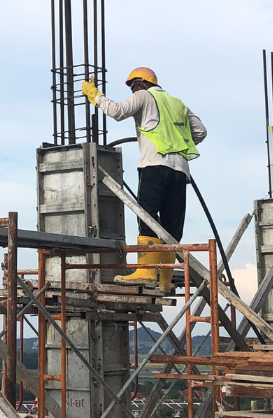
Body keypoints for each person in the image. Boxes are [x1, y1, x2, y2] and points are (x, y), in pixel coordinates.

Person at [81, 67, 207, 292]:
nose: (132, 91)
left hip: (154, 165)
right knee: (171, 223)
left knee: (147, 216)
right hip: (180, 170)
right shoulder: (178, 104)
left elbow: (117, 111)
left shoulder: (143, 96)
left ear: (140, 84)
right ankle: (165, 279)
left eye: (132, 87)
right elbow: (200, 132)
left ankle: (147, 271)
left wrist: (95, 95)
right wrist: (176, 142)